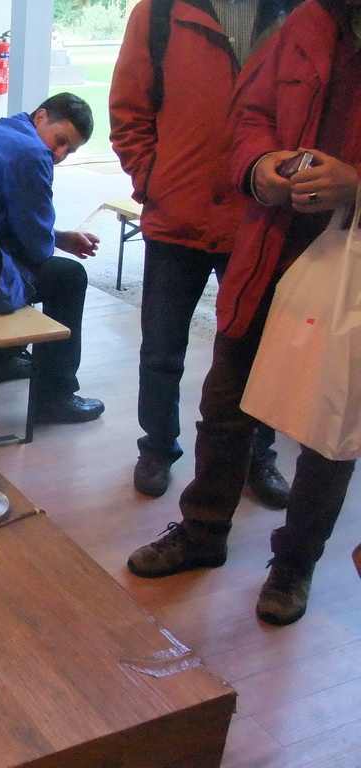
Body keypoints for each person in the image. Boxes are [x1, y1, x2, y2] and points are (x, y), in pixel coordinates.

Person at [127, 0, 361, 626]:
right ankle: (203, 532)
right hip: (266, 250)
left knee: (329, 425)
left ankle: (294, 566)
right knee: (225, 401)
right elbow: (249, 117)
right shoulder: (310, 20)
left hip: (350, 277)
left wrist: (356, 185)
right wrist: (261, 168)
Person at [110, 0, 298, 504]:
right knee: (162, 347)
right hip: (178, 216)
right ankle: (157, 448)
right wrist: (153, 178)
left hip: (258, 219)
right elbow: (129, 109)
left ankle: (259, 455)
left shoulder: (293, 12)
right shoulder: (161, 12)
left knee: (258, 352)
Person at [0, 92, 105, 424]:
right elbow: (38, 247)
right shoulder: (31, 154)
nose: (59, 154)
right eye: (60, 141)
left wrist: (58, 237)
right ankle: (55, 396)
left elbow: (4, 219)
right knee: (69, 277)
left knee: (22, 261)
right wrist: (52, 239)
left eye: (69, 151)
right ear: (41, 116)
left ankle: (0, 358)